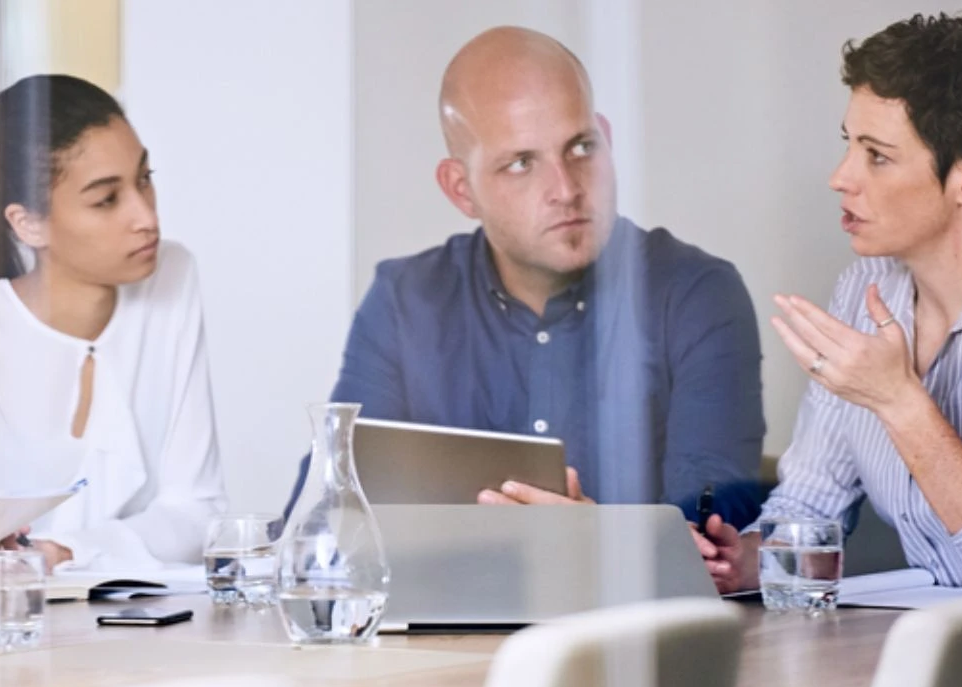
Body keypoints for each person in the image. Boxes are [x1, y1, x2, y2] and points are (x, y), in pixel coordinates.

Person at [695, 13, 962, 592]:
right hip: (937, 647)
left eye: (877, 155)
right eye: (848, 145)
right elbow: (809, 503)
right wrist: (745, 561)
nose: (840, 176)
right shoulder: (865, 287)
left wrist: (901, 402)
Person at [296, 26, 764, 512]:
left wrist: (595, 542)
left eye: (581, 147)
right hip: (450, 588)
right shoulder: (404, 301)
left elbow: (713, 540)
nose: (566, 188)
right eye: (521, 163)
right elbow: (326, 512)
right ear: (461, 189)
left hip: (636, 595)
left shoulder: (695, 294)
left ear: (606, 139)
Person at [0, 74, 226, 591]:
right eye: (106, 199)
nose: (146, 217)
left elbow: (198, 513)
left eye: (144, 179)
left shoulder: (171, 277)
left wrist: (62, 553)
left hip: (127, 636)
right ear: (28, 224)